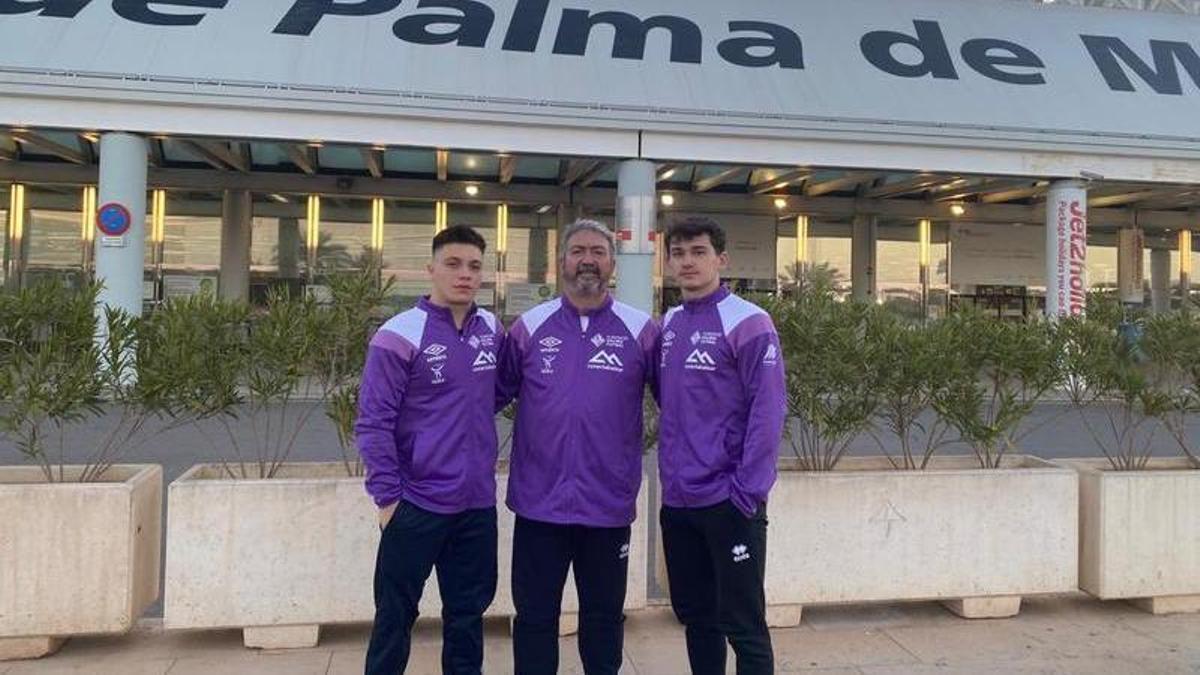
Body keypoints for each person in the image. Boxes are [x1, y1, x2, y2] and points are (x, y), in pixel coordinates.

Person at [497, 219, 658, 674]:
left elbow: (681, 401)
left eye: (598, 252)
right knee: (533, 619)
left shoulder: (640, 331)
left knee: (604, 620)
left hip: (607, 507)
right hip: (538, 505)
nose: (587, 259)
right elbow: (487, 395)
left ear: (612, 262)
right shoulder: (528, 327)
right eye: (578, 251)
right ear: (561, 261)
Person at [357, 225, 503, 675]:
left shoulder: (492, 330)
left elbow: (492, 395)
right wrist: (388, 499)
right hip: (416, 504)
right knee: (395, 617)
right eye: (453, 264)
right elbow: (373, 421)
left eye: (475, 266)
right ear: (431, 269)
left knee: (466, 618)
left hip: (476, 505)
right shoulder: (399, 334)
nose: (465, 274)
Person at [656, 216, 786, 675]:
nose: (687, 262)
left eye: (698, 252)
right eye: (678, 253)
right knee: (697, 620)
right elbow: (667, 398)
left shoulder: (749, 322)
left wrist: (746, 493)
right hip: (678, 503)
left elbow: (768, 411)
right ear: (668, 262)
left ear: (721, 260)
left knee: (744, 624)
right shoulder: (669, 324)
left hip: (731, 502)